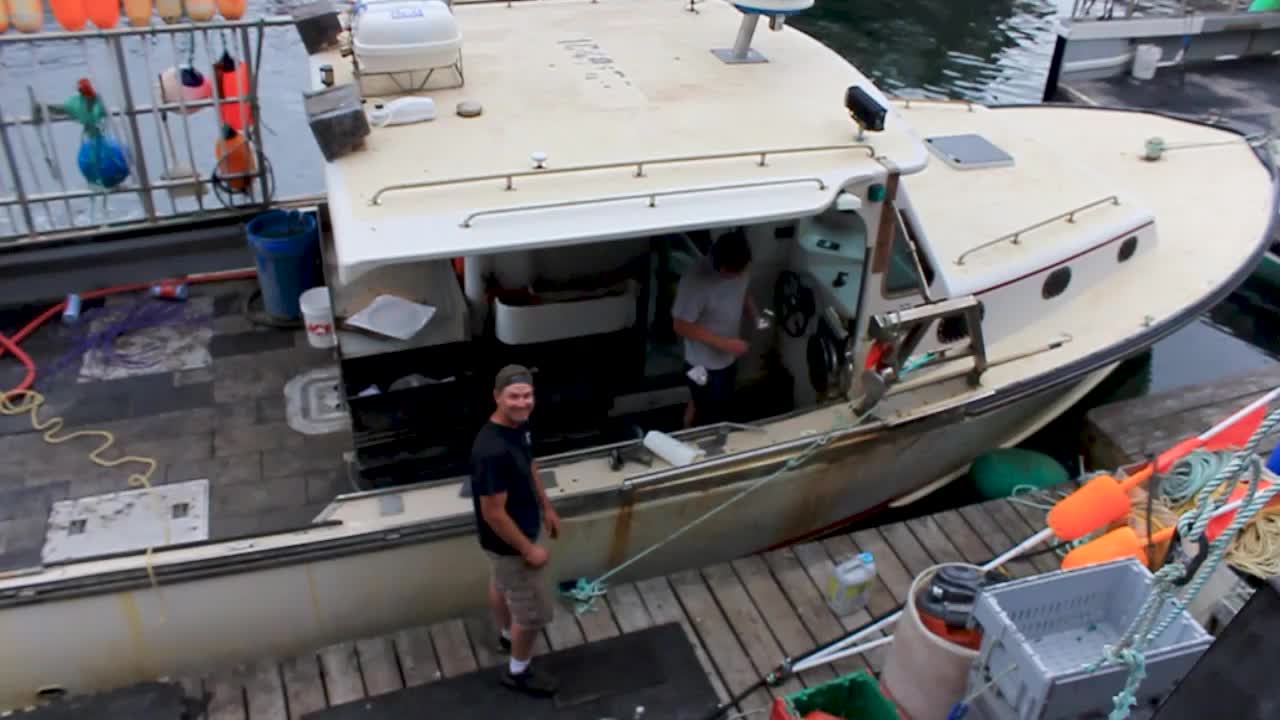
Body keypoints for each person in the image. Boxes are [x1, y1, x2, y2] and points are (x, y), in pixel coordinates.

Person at [470, 364, 562, 697]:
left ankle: (508, 635)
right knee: (535, 612)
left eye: (527, 395)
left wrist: (546, 505)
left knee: (500, 583)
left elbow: (530, 463)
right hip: (509, 543)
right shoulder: (491, 450)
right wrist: (528, 549)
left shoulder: (518, 427)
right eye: (513, 396)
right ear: (496, 397)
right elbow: (493, 512)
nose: (522, 402)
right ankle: (518, 671)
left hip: (512, 536)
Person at [671, 229, 760, 428]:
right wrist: (726, 343)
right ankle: (694, 435)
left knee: (718, 399)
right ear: (720, 268)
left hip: (728, 358)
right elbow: (680, 325)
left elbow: (742, 291)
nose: (740, 276)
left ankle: (693, 412)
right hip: (701, 363)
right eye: (734, 273)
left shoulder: (741, 267)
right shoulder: (695, 283)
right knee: (709, 412)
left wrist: (754, 315)